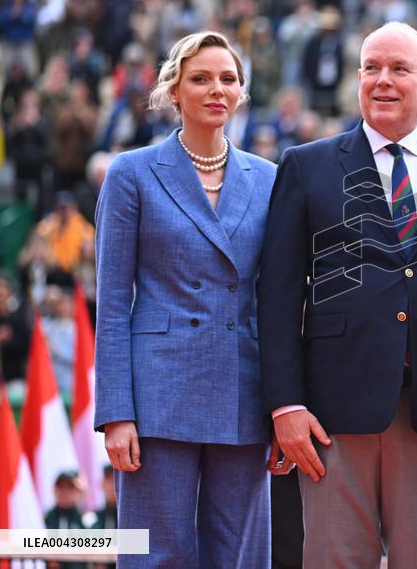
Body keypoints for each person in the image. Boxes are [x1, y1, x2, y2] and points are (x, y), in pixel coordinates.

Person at [257, 21, 417, 568]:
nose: (383, 80)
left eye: (399, 69)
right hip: (333, 411)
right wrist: (284, 403)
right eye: (371, 68)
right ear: (356, 78)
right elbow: (279, 294)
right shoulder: (305, 166)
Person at [94, 30, 279, 568]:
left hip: (243, 389)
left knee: (240, 556)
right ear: (174, 91)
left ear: (241, 92)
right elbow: (110, 304)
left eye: (228, 79)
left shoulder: (268, 177)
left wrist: (284, 403)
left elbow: (278, 298)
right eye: (200, 78)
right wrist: (116, 413)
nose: (216, 89)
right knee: (156, 555)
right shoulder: (131, 173)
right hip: (157, 397)